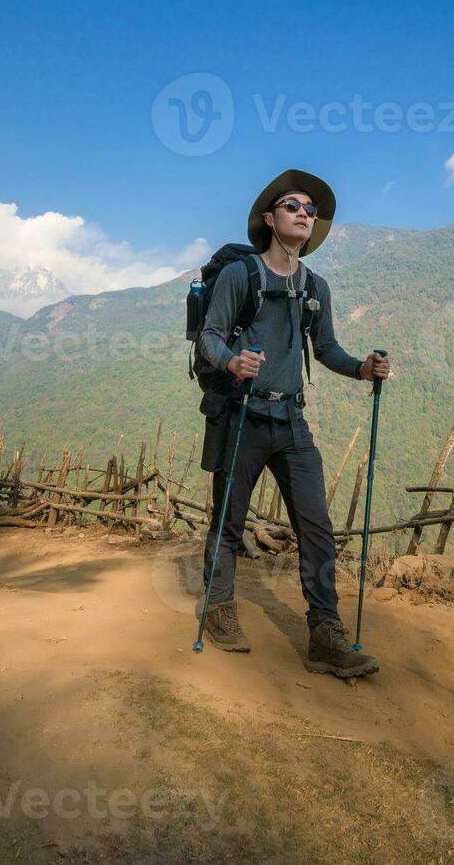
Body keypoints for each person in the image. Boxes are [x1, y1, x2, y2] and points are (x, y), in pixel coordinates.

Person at [196, 168, 392, 678]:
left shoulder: (315, 287)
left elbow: (324, 348)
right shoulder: (242, 276)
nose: (304, 212)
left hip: (292, 421)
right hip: (242, 416)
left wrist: (362, 368)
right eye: (292, 205)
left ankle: (325, 634)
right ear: (269, 219)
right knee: (228, 522)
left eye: (309, 208)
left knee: (316, 527)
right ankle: (218, 609)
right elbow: (210, 337)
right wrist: (232, 362)